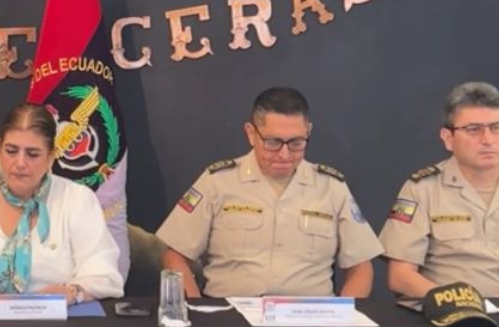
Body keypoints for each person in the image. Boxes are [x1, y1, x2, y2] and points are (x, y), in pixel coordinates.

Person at [157, 87, 383, 298]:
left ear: (308, 132)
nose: (284, 155)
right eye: (273, 142)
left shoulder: (331, 187)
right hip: (230, 320)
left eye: (296, 142)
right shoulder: (217, 182)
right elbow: (175, 256)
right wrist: (195, 312)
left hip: (310, 322)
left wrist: (342, 321)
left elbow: (361, 267)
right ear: (251, 133)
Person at [0, 102, 124, 307]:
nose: (20, 163)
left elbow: (104, 274)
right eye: (11, 151)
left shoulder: (77, 200)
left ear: (50, 157)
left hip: (55, 326)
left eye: (32, 154)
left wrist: (73, 292)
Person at [380, 82, 499, 298]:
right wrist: (458, 302)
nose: (487, 140)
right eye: (473, 130)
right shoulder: (423, 189)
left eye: (496, 128)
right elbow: (400, 277)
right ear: (448, 138)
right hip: (456, 318)